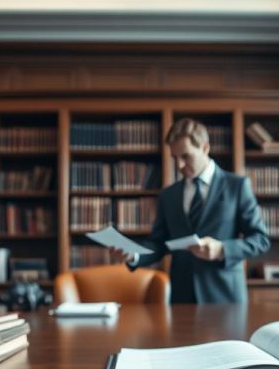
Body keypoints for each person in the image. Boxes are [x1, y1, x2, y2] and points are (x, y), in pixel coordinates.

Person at [114, 118, 270, 303]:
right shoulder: (168, 195)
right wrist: (134, 254)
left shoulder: (237, 186)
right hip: (182, 297)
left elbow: (260, 240)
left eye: (186, 156)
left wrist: (222, 249)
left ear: (205, 148)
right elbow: (159, 243)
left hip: (225, 295)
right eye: (175, 158)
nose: (179, 165)